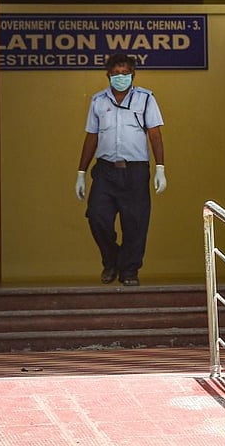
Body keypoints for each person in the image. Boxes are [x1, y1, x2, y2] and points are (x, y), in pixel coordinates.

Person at [74, 54, 167, 287]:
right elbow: (91, 137)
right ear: (108, 75)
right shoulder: (98, 101)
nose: (120, 78)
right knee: (97, 217)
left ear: (133, 75)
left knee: (135, 223)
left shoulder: (146, 99)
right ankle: (112, 260)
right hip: (105, 171)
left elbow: (155, 134)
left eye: (125, 74)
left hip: (135, 171)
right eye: (115, 74)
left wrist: (160, 168)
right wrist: (81, 172)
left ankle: (129, 271)